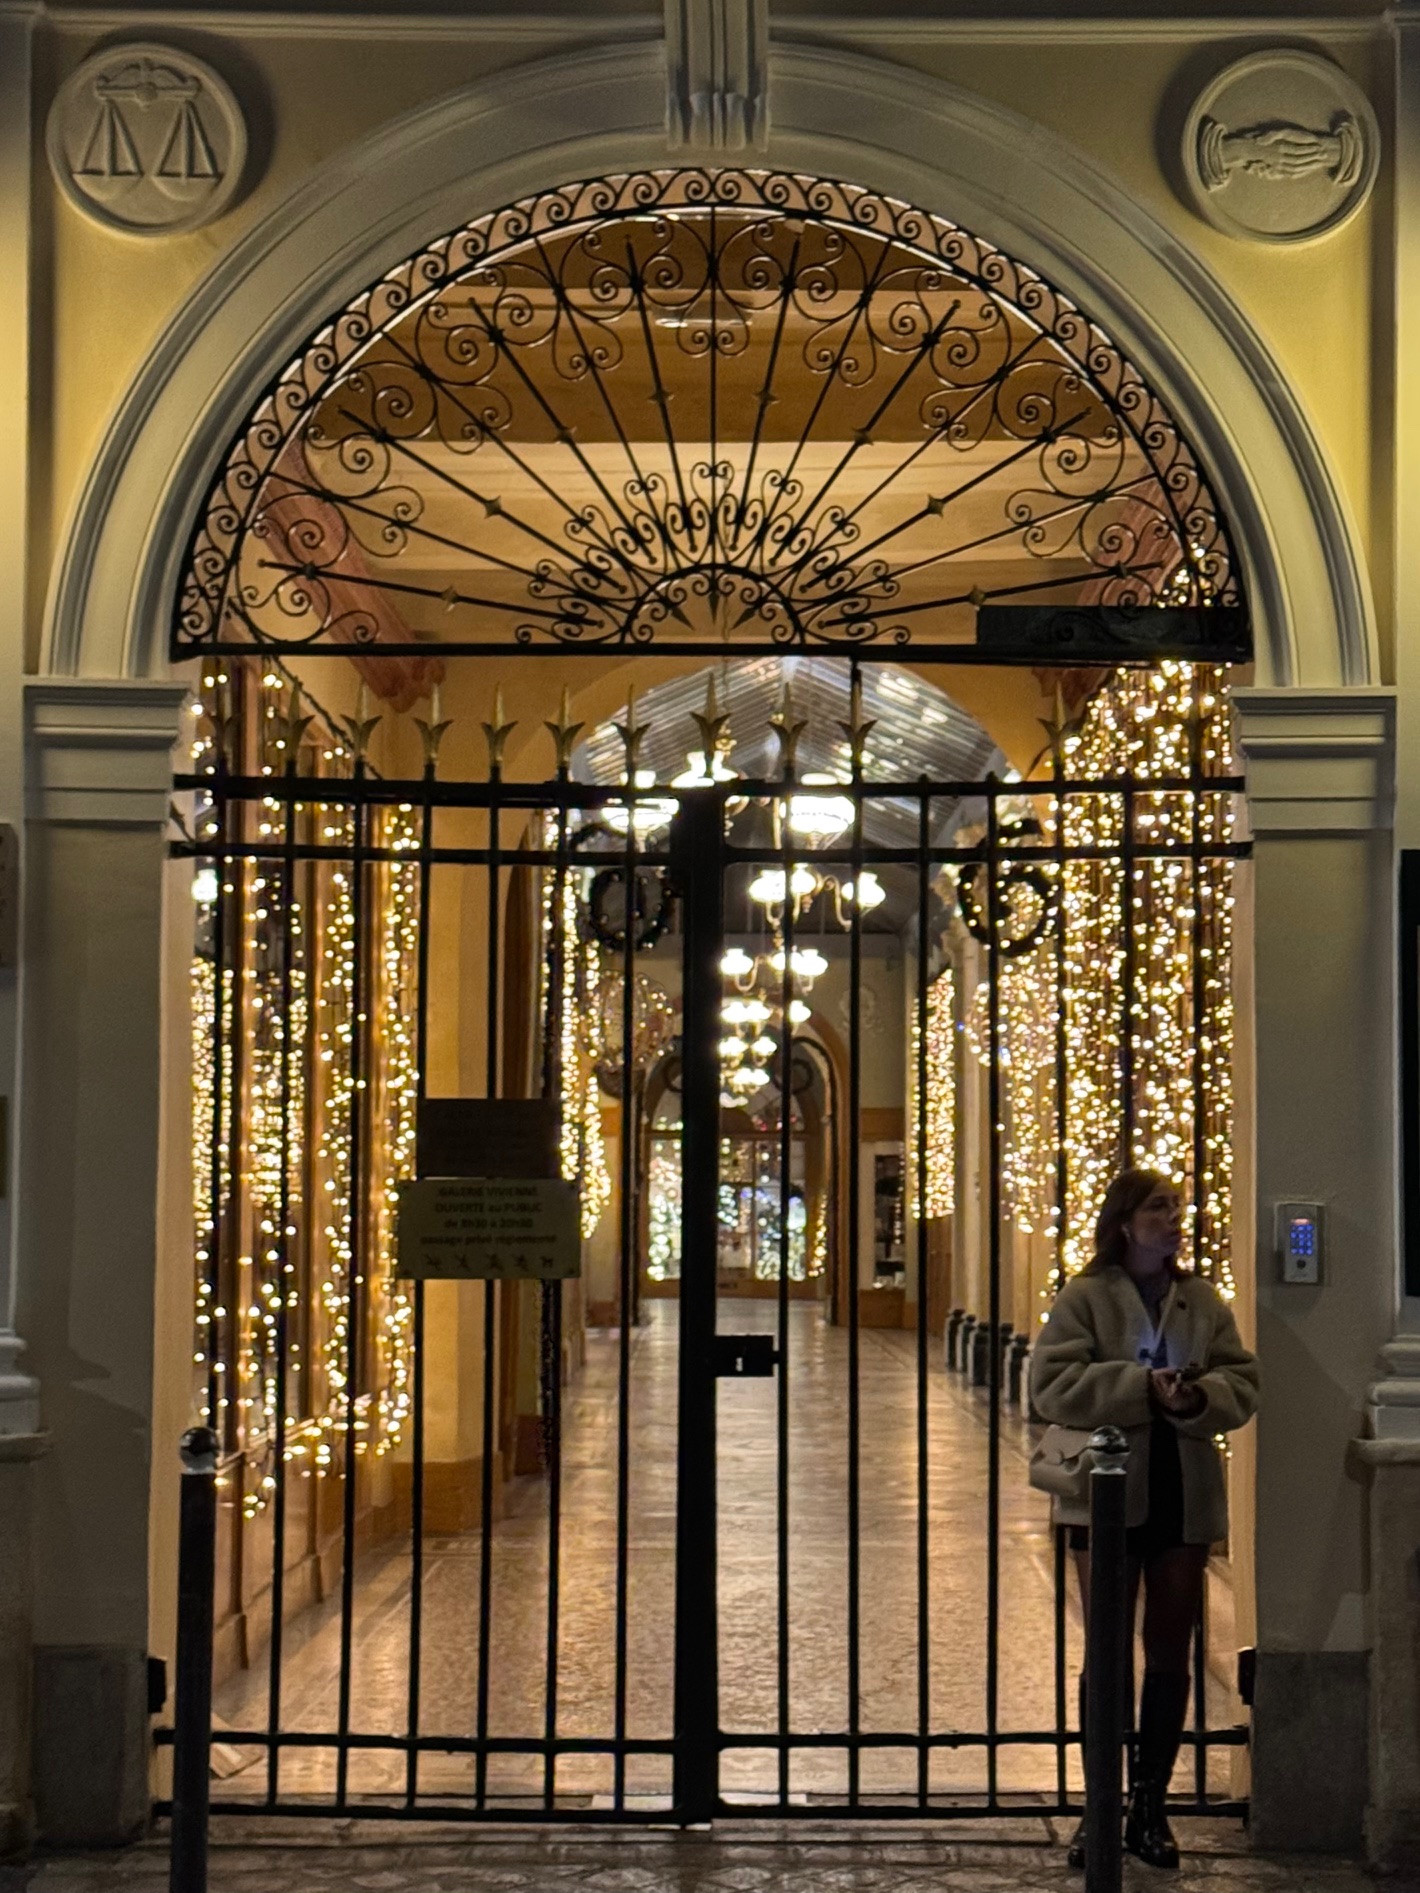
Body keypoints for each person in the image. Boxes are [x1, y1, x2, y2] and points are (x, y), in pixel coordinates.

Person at [1029, 1168, 1259, 1871]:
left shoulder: (1201, 1299)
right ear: (1125, 1222)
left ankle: (1150, 1806)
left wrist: (1196, 1398)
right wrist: (1138, 1386)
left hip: (1181, 1494)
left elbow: (1242, 1379)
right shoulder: (1085, 1296)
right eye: (1159, 1208)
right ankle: (1100, 1807)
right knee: (1108, 1651)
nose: (1173, 1219)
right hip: (1104, 1495)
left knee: (1169, 1649)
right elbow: (1050, 1385)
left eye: (1178, 1208)